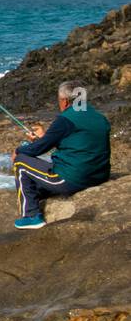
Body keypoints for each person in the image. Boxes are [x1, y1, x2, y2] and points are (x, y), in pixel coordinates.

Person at [11, 80, 111, 229]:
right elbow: (78, 142)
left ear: (64, 101)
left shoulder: (65, 120)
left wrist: (19, 150)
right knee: (35, 177)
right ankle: (36, 195)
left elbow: (36, 150)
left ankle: (32, 216)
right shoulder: (99, 117)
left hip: (73, 179)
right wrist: (45, 137)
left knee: (20, 162)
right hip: (99, 176)